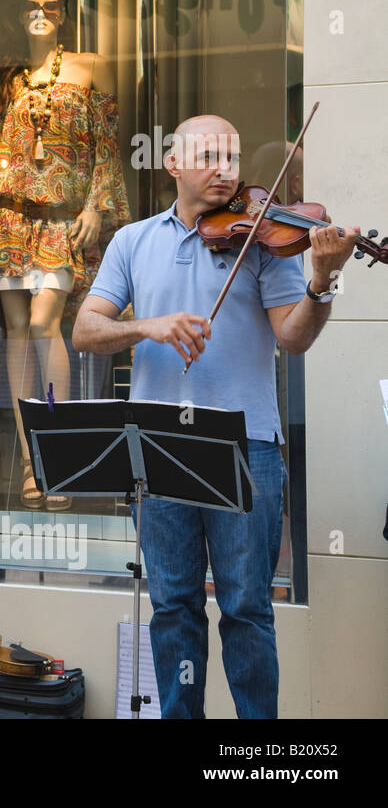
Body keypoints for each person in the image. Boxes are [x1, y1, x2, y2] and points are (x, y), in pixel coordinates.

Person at [72, 114, 357, 718]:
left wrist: (322, 281)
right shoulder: (133, 241)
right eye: (209, 156)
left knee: (246, 608)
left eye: (231, 156)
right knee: (173, 605)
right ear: (173, 163)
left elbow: (295, 339)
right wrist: (148, 325)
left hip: (246, 445)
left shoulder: (262, 240)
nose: (225, 169)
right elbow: (85, 330)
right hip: (158, 447)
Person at [0, 0, 129, 510]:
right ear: (19, 16)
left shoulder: (89, 67)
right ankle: (30, 462)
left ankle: (57, 454)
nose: (41, 12)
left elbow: (108, 145)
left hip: (62, 219)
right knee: (16, 331)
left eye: (52, 5)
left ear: (64, 13)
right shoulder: (7, 80)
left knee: (44, 324)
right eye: (32, 5)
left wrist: (94, 205)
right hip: (12, 220)